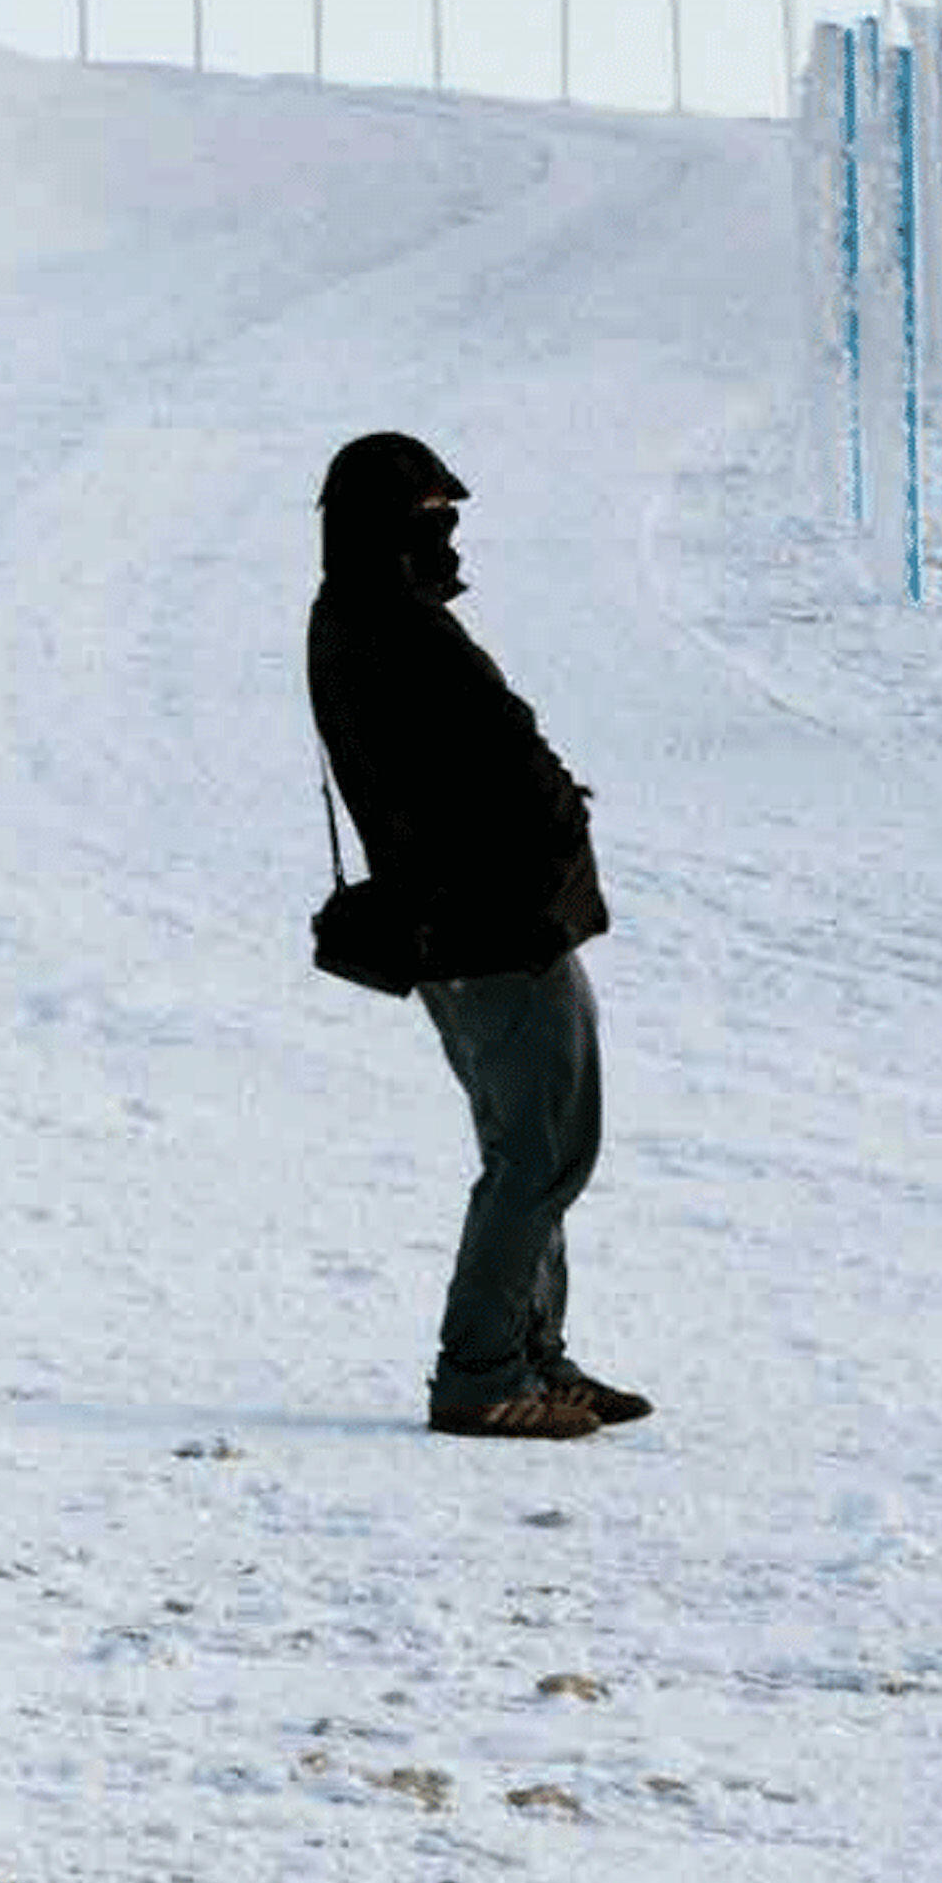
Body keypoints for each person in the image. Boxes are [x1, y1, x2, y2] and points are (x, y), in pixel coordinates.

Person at [306, 429, 645, 1440]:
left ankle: (533, 1355)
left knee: (540, 1145)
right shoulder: (384, 627)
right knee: (537, 1152)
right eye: (426, 516)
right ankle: (483, 1372)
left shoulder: (367, 617)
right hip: (489, 922)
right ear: (380, 527)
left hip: (488, 914)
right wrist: (542, 829)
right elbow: (470, 766)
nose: (446, 532)